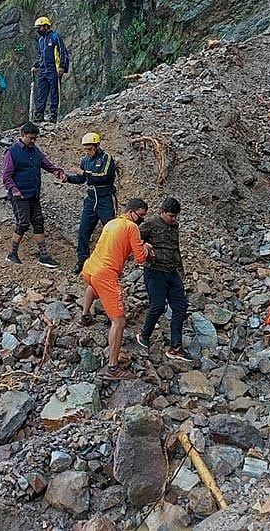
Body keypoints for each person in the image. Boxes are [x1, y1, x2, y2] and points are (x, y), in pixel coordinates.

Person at [79, 198, 154, 381]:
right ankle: (112, 368)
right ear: (132, 212)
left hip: (90, 269)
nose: (141, 219)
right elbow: (140, 259)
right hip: (106, 275)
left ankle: (85, 316)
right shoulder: (131, 227)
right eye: (141, 215)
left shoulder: (112, 223)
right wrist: (147, 249)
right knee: (119, 322)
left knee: (92, 286)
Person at [136, 198, 194, 363]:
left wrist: (181, 269)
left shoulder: (174, 226)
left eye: (175, 216)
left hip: (172, 271)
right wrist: (145, 248)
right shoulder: (150, 224)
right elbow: (133, 240)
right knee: (158, 306)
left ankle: (176, 346)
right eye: (171, 216)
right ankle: (144, 335)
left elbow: (175, 248)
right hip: (154, 271)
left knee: (180, 306)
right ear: (162, 212)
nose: (173, 219)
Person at [2, 121, 65, 267]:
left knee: (38, 222)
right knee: (23, 223)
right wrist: (14, 190)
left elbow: (47, 165)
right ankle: (12, 254)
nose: (33, 141)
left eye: (35, 138)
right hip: (19, 195)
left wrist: (57, 171)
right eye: (31, 138)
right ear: (22, 135)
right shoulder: (12, 152)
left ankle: (44, 256)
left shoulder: (36, 152)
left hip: (33, 194)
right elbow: (6, 176)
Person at [65, 132, 118, 273]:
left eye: (90, 149)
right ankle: (82, 261)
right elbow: (81, 180)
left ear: (97, 146)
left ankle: (113, 261)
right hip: (91, 199)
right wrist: (67, 178)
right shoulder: (85, 160)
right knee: (83, 230)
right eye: (86, 149)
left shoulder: (106, 158)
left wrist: (84, 173)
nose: (87, 152)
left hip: (105, 197)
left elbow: (104, 176)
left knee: (111, 230)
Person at [30, 16, 70, 123]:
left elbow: (62, 52)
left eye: (39, 28)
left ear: (46, 26)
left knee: (54, 92)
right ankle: (39, 114)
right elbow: (40, 56)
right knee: (42, 93)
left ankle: (53, 114)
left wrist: (61, 66)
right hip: (43, 71)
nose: (38, 30)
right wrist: (35, 66)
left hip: (54, 69)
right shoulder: (41, 40)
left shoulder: (55, 36)